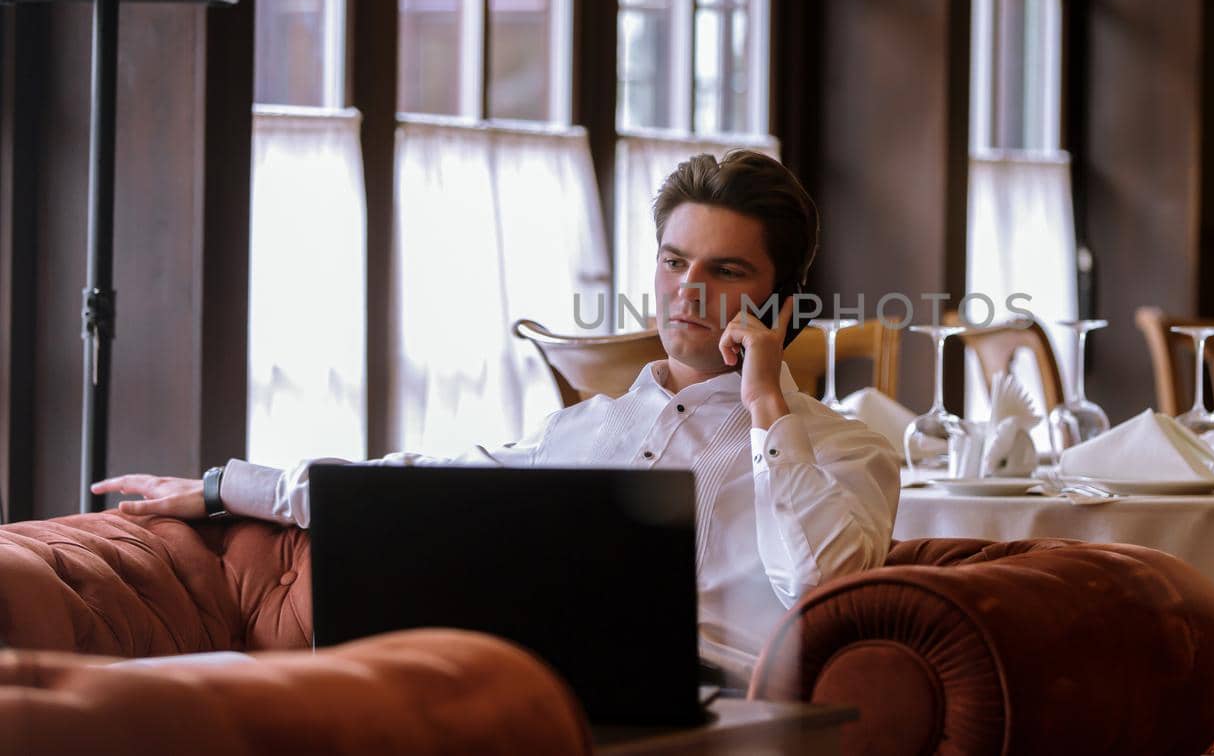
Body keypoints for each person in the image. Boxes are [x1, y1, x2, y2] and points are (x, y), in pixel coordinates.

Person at [93, 149, 901, 679]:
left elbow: (822, 586)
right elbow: (417, 485)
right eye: (673, 260)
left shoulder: (849, 451)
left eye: (725, 270)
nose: (689, 290)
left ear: (783, 308)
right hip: (542, 693)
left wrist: (765, 404)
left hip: (721, 713)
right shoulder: (586, 429)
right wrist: (221, 485)